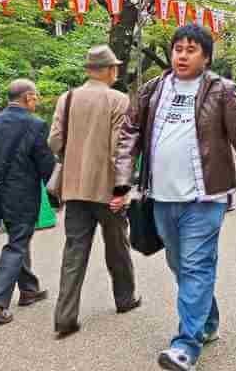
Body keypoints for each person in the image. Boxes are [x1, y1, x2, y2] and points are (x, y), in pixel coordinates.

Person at [113, 24, 236, 371]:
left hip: (205, 197)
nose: (182, 55)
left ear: (206, 57)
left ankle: (186, 344)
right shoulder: (153, 89)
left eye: (191, 49)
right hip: (161, 197)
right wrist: (122, 182)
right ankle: (207, 319)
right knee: (179, 264)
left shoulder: (222, 91)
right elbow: (129, 133)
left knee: (195, 265)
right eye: (178, 49)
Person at [48, 46, 140, 339]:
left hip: (74, 188)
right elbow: (120, 150)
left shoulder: (68, 98)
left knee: (74, 250)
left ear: (89, 69)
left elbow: (54, 141)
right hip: (107, 190)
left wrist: (76, 155)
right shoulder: (118, 100)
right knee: (117, 246)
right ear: (110, 70)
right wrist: (122, 188)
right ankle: (124, 299)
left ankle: (65, 317)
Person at [0, 79, 57, 325]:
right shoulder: (36, 125)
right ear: (28, 97)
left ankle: (29, 289)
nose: (36, 102)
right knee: (17, 243)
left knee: (18, 238)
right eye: (36, 97)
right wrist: (56, 195)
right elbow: (46, 164)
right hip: (22, 196)